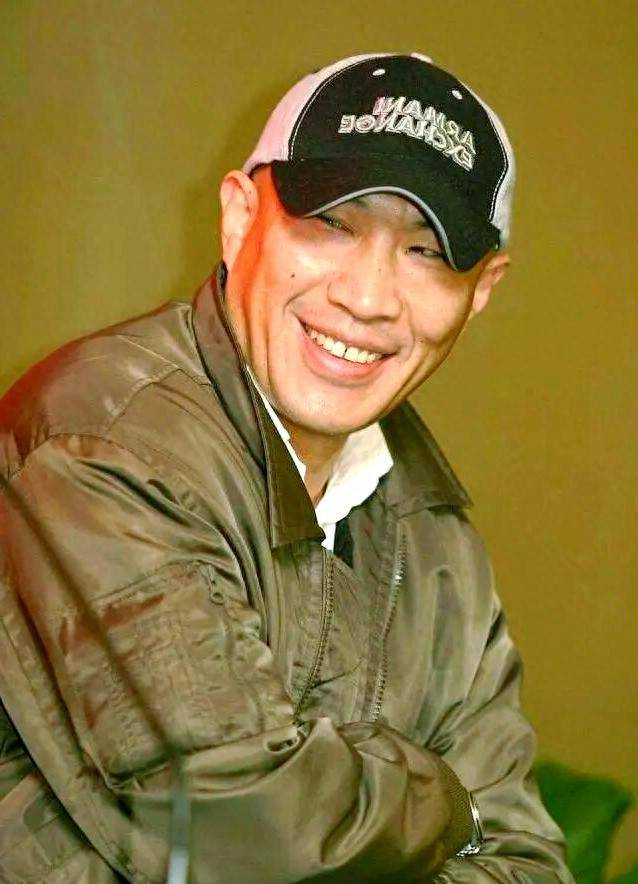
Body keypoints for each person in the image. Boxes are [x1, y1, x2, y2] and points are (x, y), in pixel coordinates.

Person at [0, 52, 572, 882]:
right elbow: (243, 832)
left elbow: (528, 865)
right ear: (239, 218)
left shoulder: (437, 543)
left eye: (426, 251)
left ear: (481, 290)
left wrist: (344, 800)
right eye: (331, 224)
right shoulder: (101, 441)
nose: (367, 297)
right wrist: (444, 802)